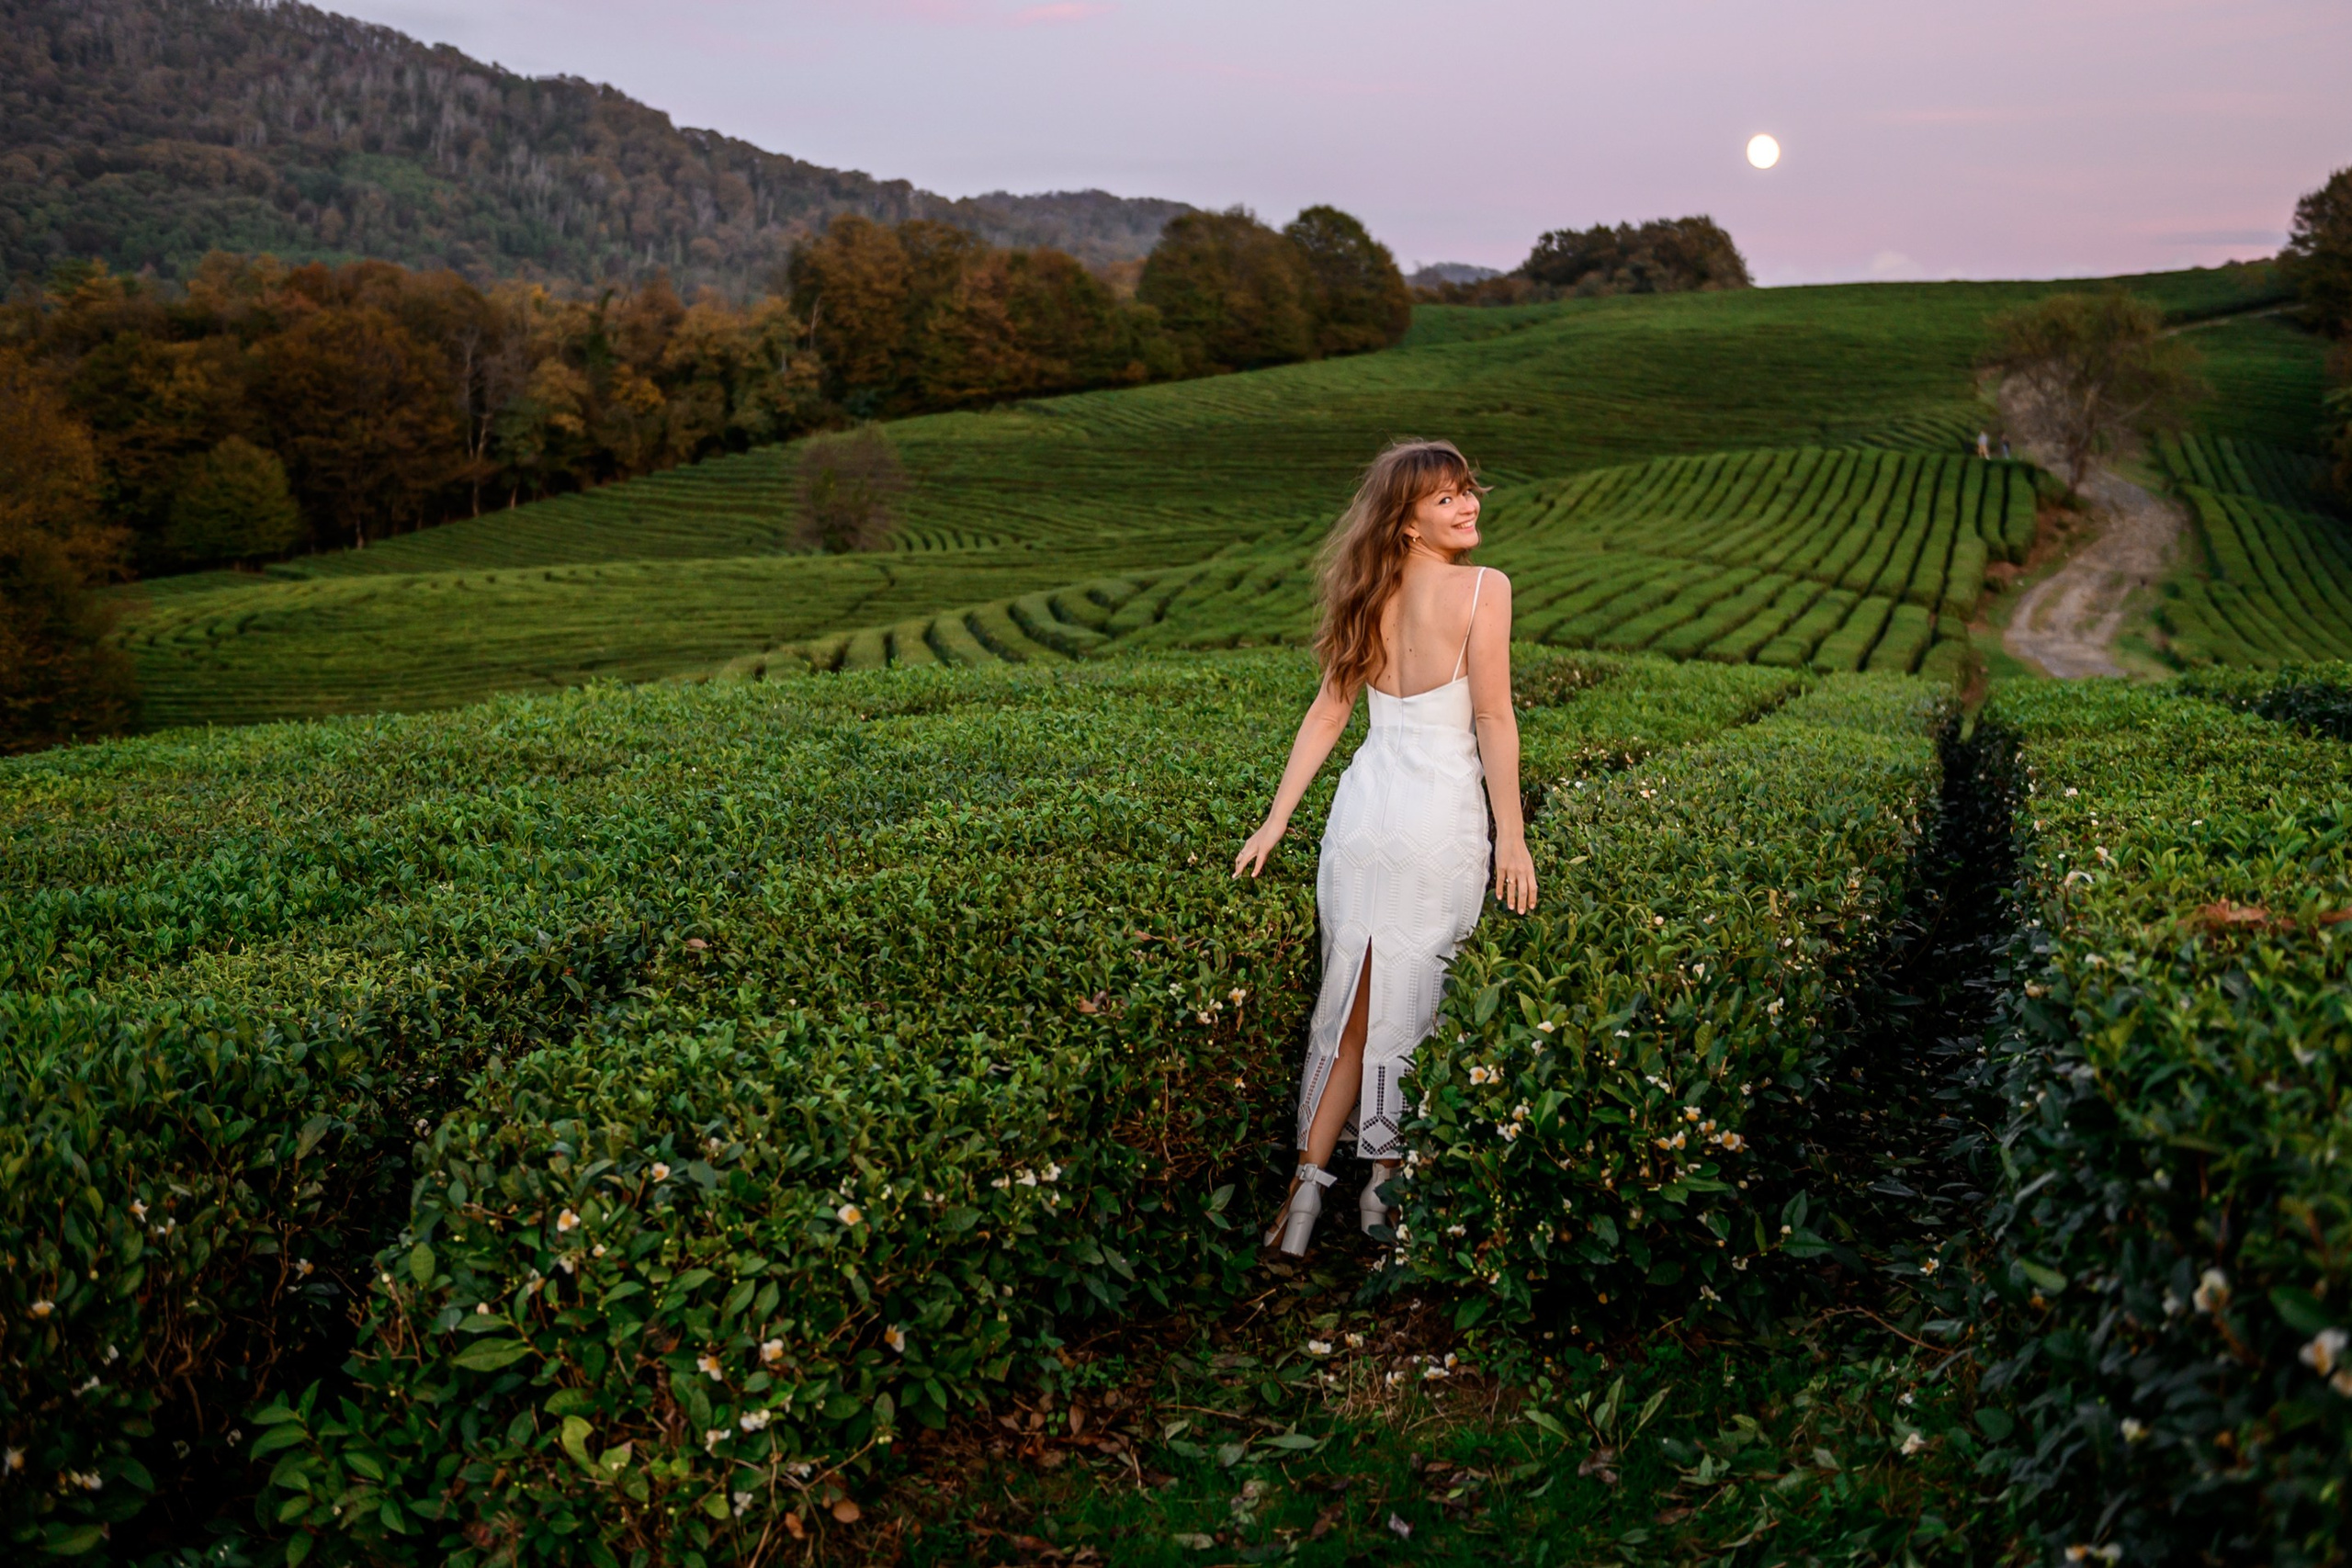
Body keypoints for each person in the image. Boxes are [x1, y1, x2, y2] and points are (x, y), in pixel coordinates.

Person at [1232, 438, 1537, 1258]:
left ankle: (1304, 1197)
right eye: (1445, 498)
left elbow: (1329, 713)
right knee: (1416, 1002)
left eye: (1467, 490)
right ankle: (1384, 1191)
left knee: (1353, 1004)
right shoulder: (1486, 587)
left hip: (1362, 818)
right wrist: (1512, 836)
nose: (1468, 505)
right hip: (1436, 818)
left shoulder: (1369, 591)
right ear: (1407, 522)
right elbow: (1493, 717)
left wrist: (1277, 820)